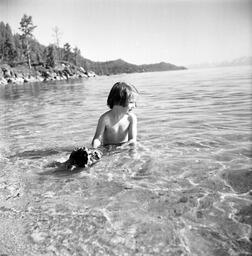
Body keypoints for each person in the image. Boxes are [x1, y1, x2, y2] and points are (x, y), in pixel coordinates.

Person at [92, 82, 138, 148]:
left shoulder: (131, 118)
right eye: (131, 102)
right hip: (108, 148)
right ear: (119, 101)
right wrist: (94, 148)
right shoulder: (105, 118)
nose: (134, 106)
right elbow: (97, 139)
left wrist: (122, 147)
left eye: (134, 102)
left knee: (136, 149)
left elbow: (132, 140)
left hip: (125, 146)